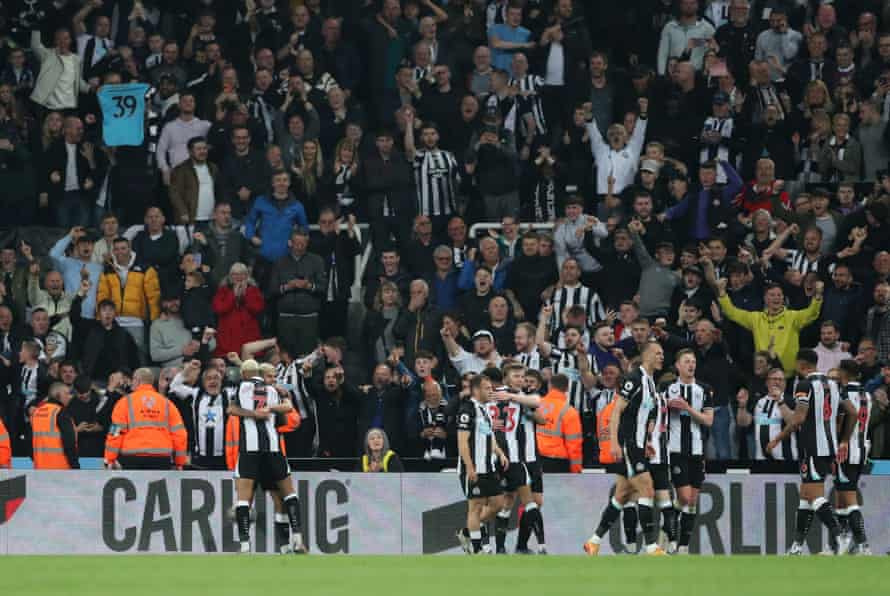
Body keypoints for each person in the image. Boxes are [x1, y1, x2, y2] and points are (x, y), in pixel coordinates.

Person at [767, 349, 857, 555]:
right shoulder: (834, 384)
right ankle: (797, 547)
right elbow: (851, 412)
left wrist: (777, 439)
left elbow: (798, 419)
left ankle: (840, 534)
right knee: (805, 497)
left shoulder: (804, 385)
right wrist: (843, 439)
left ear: (801, 365)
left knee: (813, 494)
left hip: (812, 447)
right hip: (830, 447)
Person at [584, 341, 667, 556]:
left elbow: (641, 417)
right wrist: (613, 443)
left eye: (662, 354)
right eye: (657, 353)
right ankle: (651, 547)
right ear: (646, 355)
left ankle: (593, 541)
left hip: (639, 444)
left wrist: (647, 441)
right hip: (628, 445)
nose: (661, 357)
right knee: (647, 489)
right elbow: (616, 412)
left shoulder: (650, 383)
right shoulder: (634, 379)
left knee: (621, 495)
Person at [228, 359, 305, 554]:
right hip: (272, 449)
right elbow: (287, 409)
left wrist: (253, 413)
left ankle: (245, 546)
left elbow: (231, 409)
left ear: (244, 374)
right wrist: (271, 408)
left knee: (244, 499)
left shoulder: (241, 386)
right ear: (262, 375)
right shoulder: (271, 391)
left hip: (249, 450)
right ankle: (294, 541)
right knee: (288, 494)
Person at [489, 364, 546, 554]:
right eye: (517, 376)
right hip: (512, 457)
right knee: (510, 500)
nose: (521, 380)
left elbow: (542, 416)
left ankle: (520, 545)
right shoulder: (497, 395)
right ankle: (500, 546)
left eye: (523, 376)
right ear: (506, 377)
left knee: (535, 501)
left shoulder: (523, 397)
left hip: (531, 457)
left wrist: (518, 400)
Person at [717, 278, 824, 375]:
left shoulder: (793, 317)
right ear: (765, 298)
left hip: (787, 375)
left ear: (783, 298)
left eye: (779, 295)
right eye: (772, 295)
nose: (776, 298)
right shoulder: (755, 318)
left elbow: (812, 313)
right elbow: (732, 312)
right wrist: (722, 293)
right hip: (764, 374)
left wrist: (818, 295)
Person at [665, 349, 714, 554]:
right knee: (684, 497)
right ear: (677, 365)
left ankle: (683, 545)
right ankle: (669, 533)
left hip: (697, 450)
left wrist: (687, 408)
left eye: (693, 361)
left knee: (692, 501)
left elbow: (708, 420)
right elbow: (657, 412)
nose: (691, 365)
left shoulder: (704, 389)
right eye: (686, 361)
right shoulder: (667, 388)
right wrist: (666, 405)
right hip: (676, 449)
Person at [455, 374, 509, 555]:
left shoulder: (484, 409)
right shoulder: (466, 409)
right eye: (487, 388)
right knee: (476, 506)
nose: (491, 391)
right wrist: (469, 467)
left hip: (489, 468)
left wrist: (499, 452)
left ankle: (467, 532)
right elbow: (462, 442)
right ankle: (477, 550)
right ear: (476, 390)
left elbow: (488, 436)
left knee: (498, 503)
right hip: (473, 468)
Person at [104, 368, 188, 471]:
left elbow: (115, 432)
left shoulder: (124, 402)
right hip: (161, 458)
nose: (131, 383)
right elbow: (180, 434)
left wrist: (109, 459)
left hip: (131, 458)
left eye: (133, 380)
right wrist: (179, 462)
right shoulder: (167, 404)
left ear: (137, 380)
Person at [267, 227, 327, 357]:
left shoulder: (317, 261)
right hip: (285, 319)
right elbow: (272, 289)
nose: (300, 247)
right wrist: (288, 287)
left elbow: (323, 287)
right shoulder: (279, 263)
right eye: (297, 243)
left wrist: (308, 286)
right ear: (290, 243)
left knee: (307, 357)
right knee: (286, 356)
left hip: (309, 318)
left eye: (303, 244)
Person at [833, 360, 872, 555]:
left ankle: (863, 544)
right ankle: (841, 543)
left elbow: (843, 421)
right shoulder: (867, 395)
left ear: (844, 373)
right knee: (841, 497)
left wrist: (841, 441)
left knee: (848, 498)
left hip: (845, 452)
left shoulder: (844, 394)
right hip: (861, 451)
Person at [169, 360, 236, 470]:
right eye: (208, 378)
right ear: (203, 382)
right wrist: (188, 369)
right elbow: (174, 386)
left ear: (221, 380)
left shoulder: (229, 394)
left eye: (216, 378)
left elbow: (249, 387)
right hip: (199, 457)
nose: (212, 381)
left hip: (224, 458)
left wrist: (238, 363)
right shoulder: (196, 394)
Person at [535, 373, 583, 474]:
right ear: (567, 389)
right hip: (557, 462)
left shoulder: (536, 405)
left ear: (549, 386)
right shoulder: (569, 411)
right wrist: (576, 469)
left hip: (535, 457)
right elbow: (574, 444)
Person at [169, 136, 221, 226]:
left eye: (204, 148)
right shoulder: (181, 169)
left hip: (212, 218)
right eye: (198, 149)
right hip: (191, 218)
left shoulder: (213, 167)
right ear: (190, 151)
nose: (203, 151)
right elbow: (174, 193)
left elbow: (219, 190)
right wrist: (183, 212)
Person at [31, 382, 79, 469]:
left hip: (39, 469)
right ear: (57, 394)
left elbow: (29, 442)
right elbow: (69, 442)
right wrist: (75, 466)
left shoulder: (36, 412)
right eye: (67, 393)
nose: (70, 397)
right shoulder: (60, 412)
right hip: (60, 469)